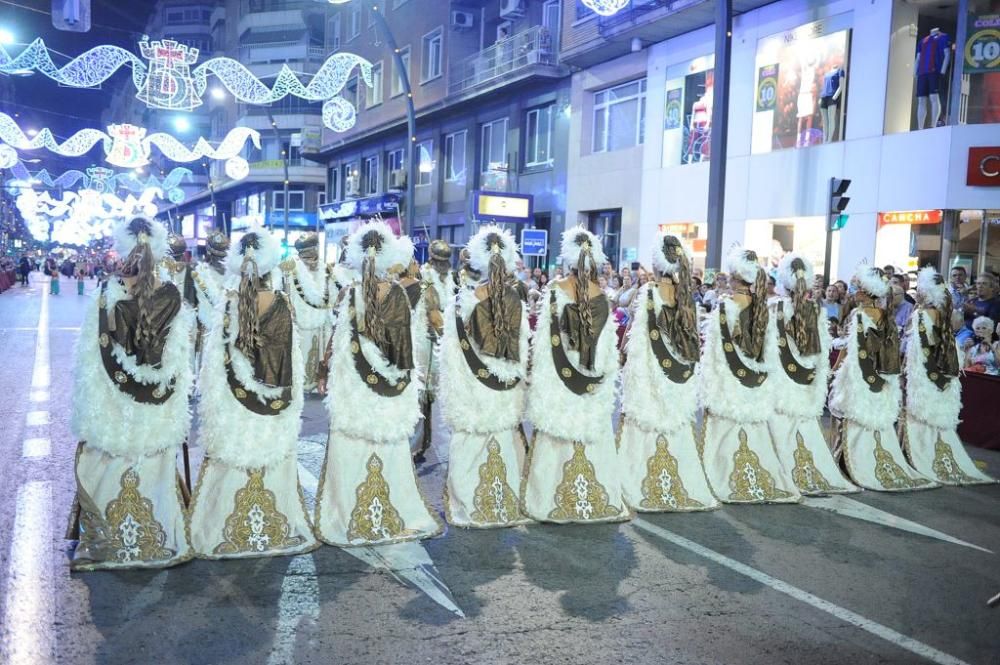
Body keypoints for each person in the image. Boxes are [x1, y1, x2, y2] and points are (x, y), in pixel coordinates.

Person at [67, 216, 195, 571]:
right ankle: (160, 535)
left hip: (112, 410)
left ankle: (108, 538)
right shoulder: (171, 294)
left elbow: (91, 362)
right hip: (158, 411)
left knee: (108, 460)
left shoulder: (108, 294)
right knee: (153, 459)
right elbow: (180, 354)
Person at [188, 228, 317, 559]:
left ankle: (224, 526)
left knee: (232, 457)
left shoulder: (229, 303)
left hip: (234, 403)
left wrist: (216, 406)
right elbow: (291, 357)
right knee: (272, 458)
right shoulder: (282, 303)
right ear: (271, 268)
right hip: (273, 403)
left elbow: (214, 365)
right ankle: (276, 524)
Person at [314, 221, 442, 546]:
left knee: (352, 441)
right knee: (386, 445)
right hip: (389, 393)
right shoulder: (398, 294)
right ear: (390, 257)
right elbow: (404, 349)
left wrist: (323, 369)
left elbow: (336, 340)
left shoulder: (348, 293)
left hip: (352, 387)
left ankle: (348, 511)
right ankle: (391, 507)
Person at [522, 227, 630, 524]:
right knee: (591, 428)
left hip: (560, 374)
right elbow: (608, 347)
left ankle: (550, 496)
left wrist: (538, 377)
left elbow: (544, 342)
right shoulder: (602, 295)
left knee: (558, 428)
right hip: (592, 375)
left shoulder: (556, 289)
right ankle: (598, 495)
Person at [619, 233, 718, 512]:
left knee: (649, 416)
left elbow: (636, 330)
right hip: (678, 371)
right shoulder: (687, 295)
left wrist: (624, 352)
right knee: (675, 419)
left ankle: (641, 475)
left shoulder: (649, 291)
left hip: (651, 368)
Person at [439, 225, 530, 527]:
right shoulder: (515, 299)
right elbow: (522, 350)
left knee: (470, 441)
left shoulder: (462, 302)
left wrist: (456, 393)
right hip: (503, 389)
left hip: (472, 388)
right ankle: (504, 500)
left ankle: (469, 501)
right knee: (503, 440)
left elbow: (451, 355)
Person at [699, 248, 800, 504]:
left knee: (727, 426)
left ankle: (723, 474)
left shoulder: (726, 304)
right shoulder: (763, 306)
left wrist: (711, 381)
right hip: (755, 377)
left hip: (729, 379)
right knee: (755, 428)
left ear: (734, 278)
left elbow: (716, 350)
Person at [830, 265, 936, 492]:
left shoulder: (859, 314)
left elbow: (851, 349)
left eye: (857, 288)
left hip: (858, 375)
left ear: (865, 292)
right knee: (876, 419)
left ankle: (851, 464)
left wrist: (836, 369)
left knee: (851, 418)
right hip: (881, 377)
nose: (853, 291)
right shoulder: (886, 316)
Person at [767, 254, 858, 495]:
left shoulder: (773, 307)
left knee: (781, 421)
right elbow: (820, 351)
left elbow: (767, 347)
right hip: (806, 378)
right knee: (805, 422)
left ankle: (783, 469)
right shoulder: (815, 311)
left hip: (781, 376)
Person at [902, 267, 995, 486]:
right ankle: (939, 453)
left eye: (922, 290)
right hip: (941, 371)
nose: (919, 293)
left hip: (924, 372)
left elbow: (918, 348)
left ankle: (920, 455)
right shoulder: (945, 315)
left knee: (921, 413)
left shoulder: (922, 314)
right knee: (938, 414)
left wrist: (912, 371)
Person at [284, 232, 333, 393]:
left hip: (321, 323)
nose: (311, 259)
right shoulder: (289, 269)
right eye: (306, 255)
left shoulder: (326, 269)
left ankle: (319, 383)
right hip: (298, 323)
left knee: (320, 354)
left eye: (312, 253)